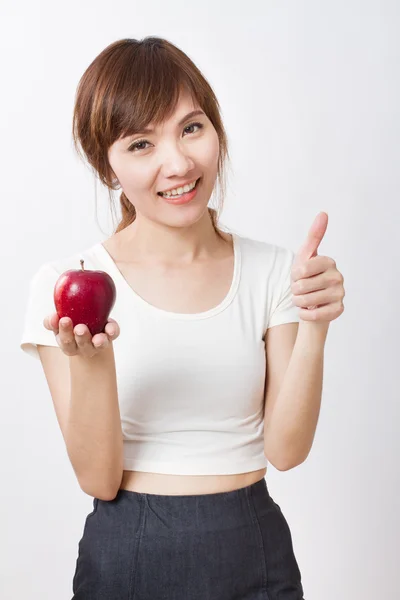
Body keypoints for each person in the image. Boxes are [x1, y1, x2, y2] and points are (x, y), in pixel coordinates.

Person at [20, 36, 340, 600]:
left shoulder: (272, 271)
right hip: (129, 549)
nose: (179, 163)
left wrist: (314, 325)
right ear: (108, 167)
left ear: (216, 130)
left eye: (191, 128)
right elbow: (98, 479)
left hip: (254, 545)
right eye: (141, 143)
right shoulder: (63, 284)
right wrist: (93, 364)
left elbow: (286, 452)